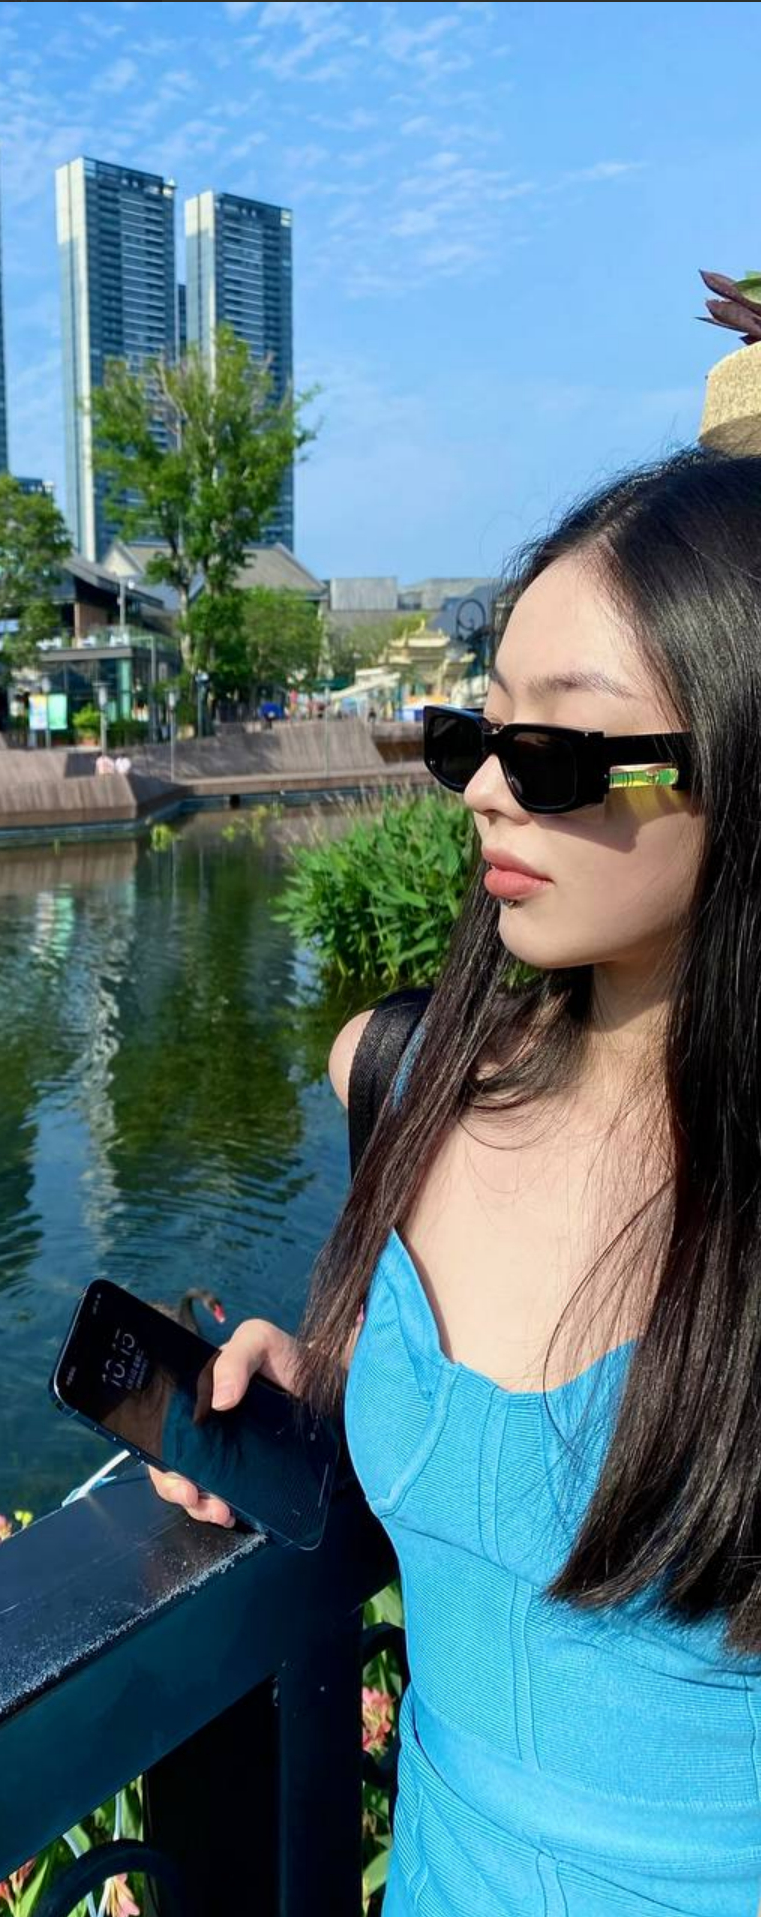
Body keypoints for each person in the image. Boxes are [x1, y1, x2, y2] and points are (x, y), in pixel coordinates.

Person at [148, 448, 761, 1915]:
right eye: (473, 736)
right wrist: (321, 1392)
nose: (485, 790)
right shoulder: (414, 1084)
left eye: (557, 753)